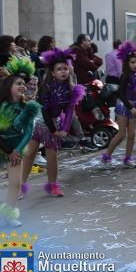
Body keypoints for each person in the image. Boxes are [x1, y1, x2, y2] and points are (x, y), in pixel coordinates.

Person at [21, 48, 86, 198]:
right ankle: (20, 185)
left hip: (55, 122)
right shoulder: (46, 87)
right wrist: (53, 129)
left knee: (52, 155)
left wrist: (64, 128)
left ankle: (53, 185)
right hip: (39, 120)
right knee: (30, 153)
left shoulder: (71, 89)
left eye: (65, 68)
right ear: (52, 72)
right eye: (59, 69)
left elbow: (69, 111)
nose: (63, 72)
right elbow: (44, 110)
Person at [0, 58, 40, 227]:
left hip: (15, 148)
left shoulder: (28, 108)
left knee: (16, 184)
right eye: (18, 83)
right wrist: (9, 151)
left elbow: (28, 132)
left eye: (24, 83)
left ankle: (9, 215)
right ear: (9, 86)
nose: (23, 86)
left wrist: (17, 150)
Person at [102, 42, 136, 169]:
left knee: (132, 135)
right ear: (127, 63)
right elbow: (121, 93)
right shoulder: (125, 75)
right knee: (121, 135)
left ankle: (127, 159)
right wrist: (131, 108)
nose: (135, 65)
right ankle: (106, 157)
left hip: (133, 105)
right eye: (132, 62)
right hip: (123, 106)